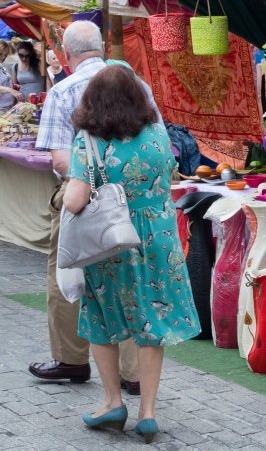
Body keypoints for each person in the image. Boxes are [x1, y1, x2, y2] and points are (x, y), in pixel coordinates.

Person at [62, 63, 200, 443]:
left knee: (101, 319)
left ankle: (111, 402)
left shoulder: (89, 141)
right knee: (151, 320)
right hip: (158, 238)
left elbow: (75, 200)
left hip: (111, 241)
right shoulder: (157, 132)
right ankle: (148, 412)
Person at [31, 21, 144, 397]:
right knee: (128, 278)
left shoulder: (62, 91)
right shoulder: (137, 86)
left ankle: (71, 359)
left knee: (66, 270)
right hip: (131, 199)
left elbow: (63, 161)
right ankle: (134, 375)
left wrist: (91, 183)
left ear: (66, 54)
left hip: (80, 195)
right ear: (104, 47)